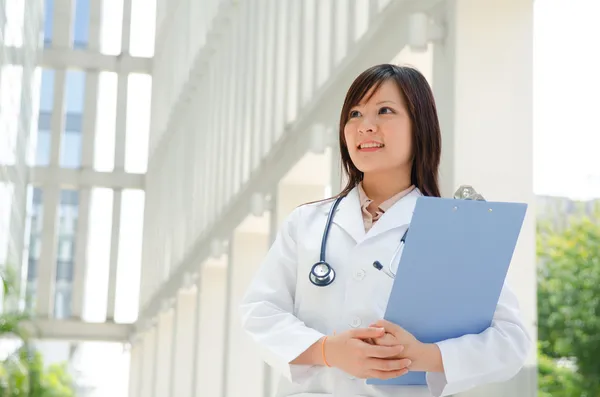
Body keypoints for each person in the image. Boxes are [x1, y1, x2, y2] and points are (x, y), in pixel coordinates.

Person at [239, 64, 531, 397]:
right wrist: (327, 351)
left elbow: (510, 340)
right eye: (354, 114)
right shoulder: (306, 223)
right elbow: (260, 311)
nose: (365, 126)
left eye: (385, 111)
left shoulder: (455, 230)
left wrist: (426, 356)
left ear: (419, 126)